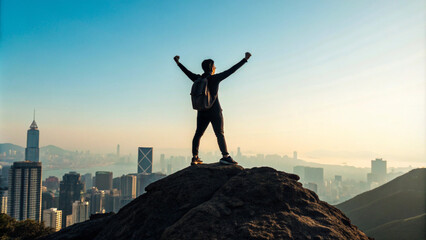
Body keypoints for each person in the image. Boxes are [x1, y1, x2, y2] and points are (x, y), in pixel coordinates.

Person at [174, 52, 252, 165]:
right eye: (214, 66)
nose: (215, 68)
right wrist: (245, 59)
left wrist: (178, 63)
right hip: (215, 111)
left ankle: (195, 157)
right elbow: (231, 70)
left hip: (202, 111)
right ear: (211, 68)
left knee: (198, 134)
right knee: (219, 133)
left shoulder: (197, 78)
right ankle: (225, 156)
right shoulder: (215, 78)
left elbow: (186, 72)